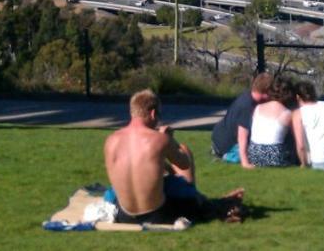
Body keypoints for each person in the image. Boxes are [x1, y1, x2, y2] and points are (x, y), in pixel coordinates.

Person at [105, 90, 246, 224]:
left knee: (169, 184)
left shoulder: (111, 141)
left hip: (125, 215)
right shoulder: (159, 139)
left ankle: (213, 203)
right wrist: (170, 140)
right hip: (158, 214)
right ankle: (216, 205)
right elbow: (184, 164)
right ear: (153, 113)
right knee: (186, 183)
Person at [211, 72, 273, 164]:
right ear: (266, 91)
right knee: (259, 155)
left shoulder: (247, 96)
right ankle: (228, 156)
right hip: (226, 145)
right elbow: (242, 136)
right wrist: (245, 162)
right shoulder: (247, 106)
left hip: (218, 137)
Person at [245, 77, 299, 168]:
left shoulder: (258, 108)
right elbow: (296, 137)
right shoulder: (287, 113)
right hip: (274, 155)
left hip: (254, 153)